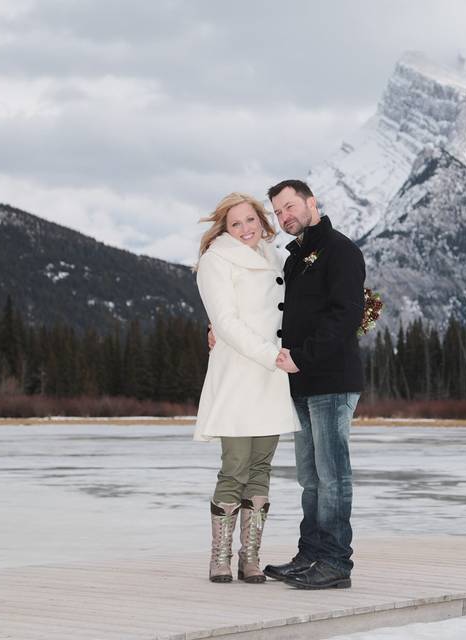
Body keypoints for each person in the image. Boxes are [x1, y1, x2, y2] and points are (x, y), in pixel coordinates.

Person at [193, 192, 300, 584]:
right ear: (224, 228)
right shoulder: (215, 261)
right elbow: (225, 321)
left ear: (261, 220)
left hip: (271, 377)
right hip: (241, 373)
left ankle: (249, 558)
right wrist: (270, 354)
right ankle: (219, 558)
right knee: (235, 467)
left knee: (260, 470)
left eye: (250, 221)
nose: (244, 230)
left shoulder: (277, 258)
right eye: (235, 224)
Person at [265, 179, 366, 589]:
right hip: (301, 384)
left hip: (332, 381)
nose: (285, 216)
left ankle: (336, 562)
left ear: (311, 202)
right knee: (311, 477)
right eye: (278, 212)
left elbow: (345, 316)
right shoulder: (295, 258)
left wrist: (301, 357)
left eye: (290, 206)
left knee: (333, 475)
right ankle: (311, 554)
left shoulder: (340, 251)